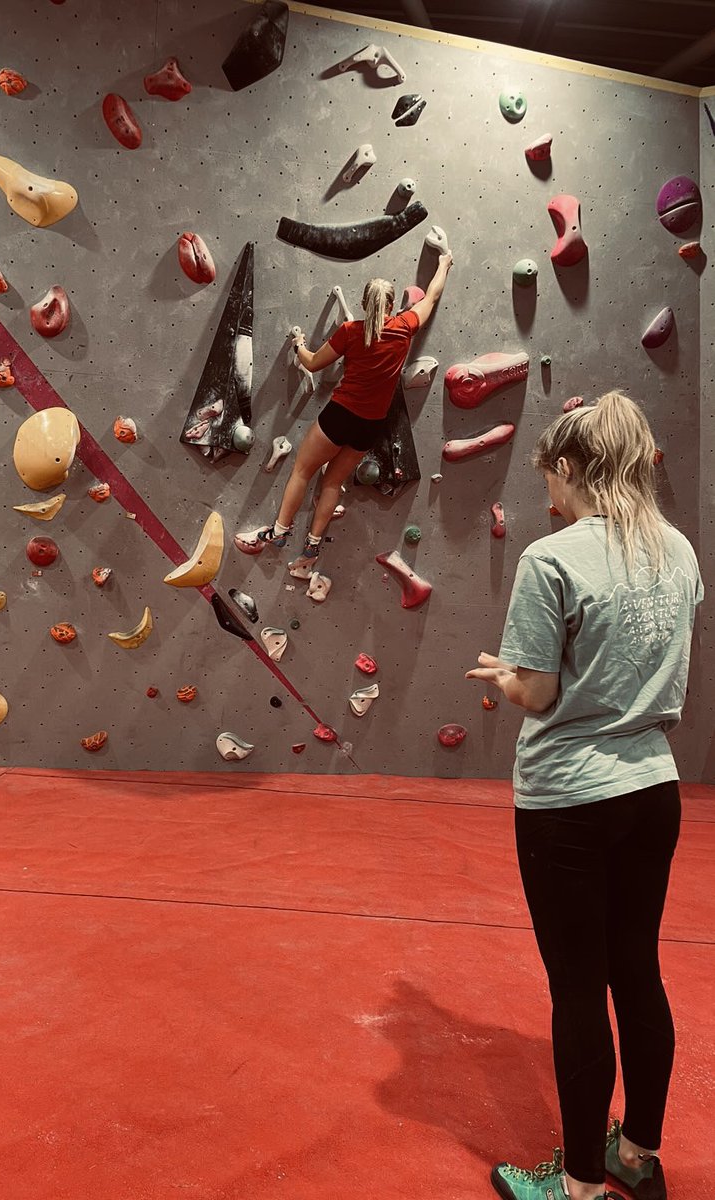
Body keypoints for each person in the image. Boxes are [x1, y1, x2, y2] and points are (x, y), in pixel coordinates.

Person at [466, 392, 703, 1200]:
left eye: (550, 481)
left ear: (570, 468)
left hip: (570, 798)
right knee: (637, 970)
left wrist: (503, 677)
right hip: (653, 790)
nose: (547, 498)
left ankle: (576, 1188)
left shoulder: (552, 557)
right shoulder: (679, 551)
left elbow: (535, 693)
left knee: (578, 989)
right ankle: (636, 1155)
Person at [235, 254, 452, 574]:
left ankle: (278, 533)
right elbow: (432, 295)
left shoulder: (352, 331)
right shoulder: (405, 327)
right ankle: (311, 546)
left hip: (340, 416)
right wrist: (444, 263)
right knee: (333, 482)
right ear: (391, 306)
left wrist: (298, 343)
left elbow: (311, 363)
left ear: (365, 303)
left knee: (302, 471)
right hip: (370, 426)